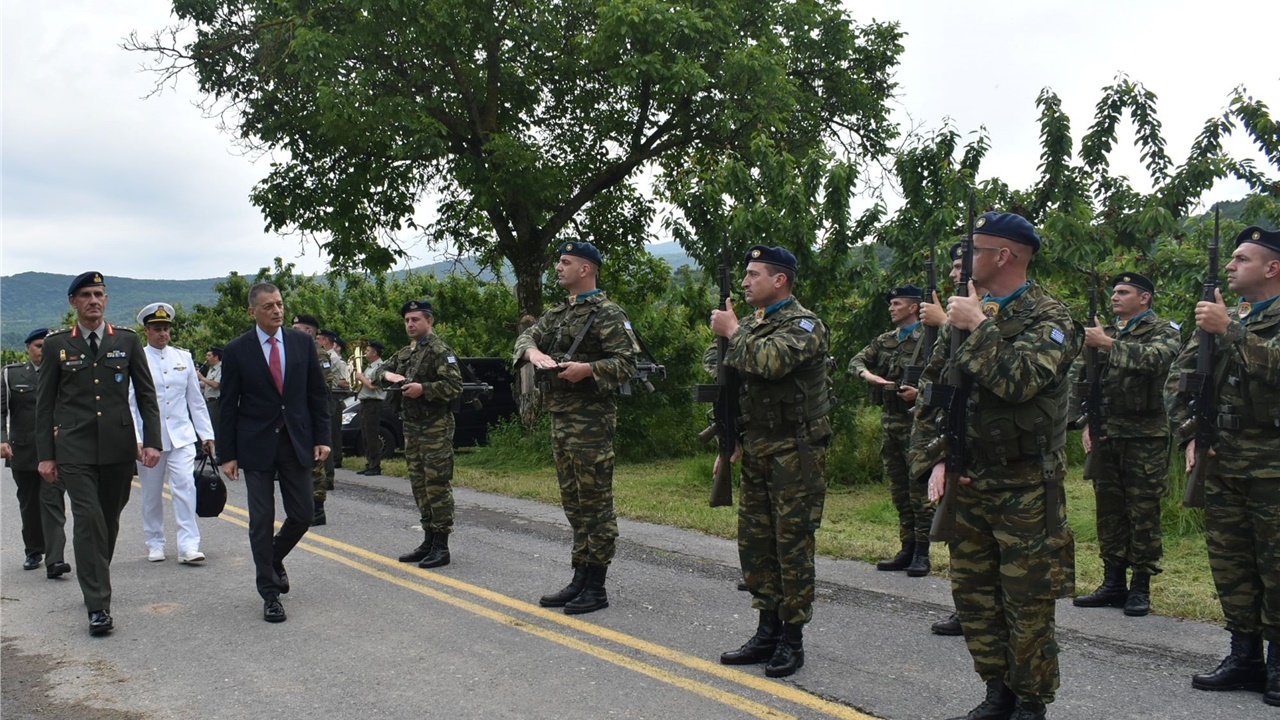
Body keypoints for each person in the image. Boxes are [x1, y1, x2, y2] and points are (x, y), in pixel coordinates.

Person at [914, 213, 1080, 720]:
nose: (962, 260)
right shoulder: (969, 314)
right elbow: (934, 390)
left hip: (1026, 483)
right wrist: (934, 459)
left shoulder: (1051, 319)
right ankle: (996, 690)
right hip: (969, 477)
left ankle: (1030, 702)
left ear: (1004, 255)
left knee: (1026, 603)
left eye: (974, 249)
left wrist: (979, 326)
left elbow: (1021, 380)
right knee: (974, 597)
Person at [1166, 226, 1280, 705]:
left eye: (1242, 259)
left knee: (1275, 564)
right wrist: (1191, 432)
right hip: (1223, 457)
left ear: (1272, 268)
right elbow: (1179, 378)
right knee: (1231, 562)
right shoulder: (1226, 317)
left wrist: (1229, 331)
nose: (1231, 266)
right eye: (1231, 259)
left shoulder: (1233, 323)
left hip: (1273, 463)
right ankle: (1244, 656)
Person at [712, 245, 832, 679]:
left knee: (792, 546)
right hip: (759, 446)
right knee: (757, 544)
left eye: (753, 274)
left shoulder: (804, 324)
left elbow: (771, 361)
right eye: (743, 274)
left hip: (795, 451)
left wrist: (732, 333)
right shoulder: (752, 325)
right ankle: (766, 630)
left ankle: (792, 639)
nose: (745, 282)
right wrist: (732, 438)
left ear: (780, 280)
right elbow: (722, 370)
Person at [514, 240, 638, 615]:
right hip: (561, 419)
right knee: (574, 503)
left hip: (591, 422)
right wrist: (532, 353)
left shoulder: (608, 314)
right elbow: (525, 338)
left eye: (565, 262)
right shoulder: (557, 314)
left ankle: (596, 585)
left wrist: (589, 370)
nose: (558, 268)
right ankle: (580, 576)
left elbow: (627, 363)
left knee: (595, 502)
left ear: (586, 269)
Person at [36, 272, 162, 636]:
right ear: (73, 302)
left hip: (119, 448)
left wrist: (151, 441)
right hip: (74, 450)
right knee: (88, 521)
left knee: (108, 521)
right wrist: (47, 455)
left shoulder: (126, 340)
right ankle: (98, 606)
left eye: (99, 295)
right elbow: (44, 406)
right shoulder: (58, 345)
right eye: (87, 295)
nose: (94, 300)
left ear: (106, 300)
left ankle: (94, 574)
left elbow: (146, 395)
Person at [218, 283, 330, 623]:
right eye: (269, 306)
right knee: (261, 519)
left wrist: (322, 437)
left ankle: (273, 557)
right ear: (253, 312)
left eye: (280, 304)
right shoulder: (237, 350)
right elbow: (228, 405)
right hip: (256, 444)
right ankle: (269, 593)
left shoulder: (301, 343)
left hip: (296, 440)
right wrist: (227, 454)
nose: (277, 310)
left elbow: (316, 393)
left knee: (303, 514)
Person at [1071, 273, 1179, 617]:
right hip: (1106, 432)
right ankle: (1113, 581)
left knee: (1142, 511)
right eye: (1114, 292)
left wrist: (1105, 344)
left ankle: (1141, 585)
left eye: (1124, 292)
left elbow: (1157, 360)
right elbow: (1081, 379)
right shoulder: (1108, 333)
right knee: (1110, 510)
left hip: (1145, 434)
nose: (1115, 297)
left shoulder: (1164, 330)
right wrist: (1085, 421)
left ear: (1144, 298)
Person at [850, 283, 933, 576]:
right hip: (891, 421)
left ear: (913, 307)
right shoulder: (885, 340)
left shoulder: (931, 338)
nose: (891, 308)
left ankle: (923, 552)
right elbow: (856, 360)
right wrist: (869, 376)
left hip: (919, 423)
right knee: (899, 489)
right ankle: (906, 547)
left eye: (897, 304)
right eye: (891, 304)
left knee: (918, 490)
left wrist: (919, 393)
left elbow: (945, 375)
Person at [375, 301, 463, 568]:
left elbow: (455, 385)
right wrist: (390, 375)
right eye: (407, 320)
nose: (410, 324)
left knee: (437, 485)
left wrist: (423, 389)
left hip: (435, 426)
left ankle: (441, 545)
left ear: (429, 321)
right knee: (419, 485)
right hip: (411, 426)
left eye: (415, 319)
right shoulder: (405, 353)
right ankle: (428, 539)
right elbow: (378, 371)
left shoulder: (440, 351)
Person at [128, 303, 216, 564]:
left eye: (166, 328)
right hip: (150, 439)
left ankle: (189, 545)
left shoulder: (183, 358)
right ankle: (155, 541)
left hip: (181, 435)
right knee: (151, 493)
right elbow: (131, 402)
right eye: (157, 329)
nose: (163, 333)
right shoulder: (138, 359)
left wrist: (206, 434)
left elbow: (195, 400)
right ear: (146, 331)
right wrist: (136, 439)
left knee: (185, 487)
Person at [916, 241, 970, 637]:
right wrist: (936, 453)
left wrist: (956, 324)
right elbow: (934, 388)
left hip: (1009, 461)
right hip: (958, 447)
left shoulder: (1035, 316)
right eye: (951, 267)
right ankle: (966, 606)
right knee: (962, 541)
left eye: (959, 267)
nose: (953, 275)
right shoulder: (954, 326)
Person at [2, 328, 70, 579]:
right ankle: (33, 550)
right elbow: (1, 410)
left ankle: (55, 560)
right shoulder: (11, 374)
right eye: (39, 346)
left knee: (53, 504)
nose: (43, 350)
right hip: (23, 450)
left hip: (55, 450)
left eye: (47, 346)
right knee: (29, 505)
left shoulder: (64, 372)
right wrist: (2, 439)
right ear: (28, 348)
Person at [289, 314, 339, 524]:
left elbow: (324, 386)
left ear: (310, 332)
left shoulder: (318, 354)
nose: (291, 332)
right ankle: (306, 507)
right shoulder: (296, 351)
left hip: (312, 414)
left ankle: (317, 510)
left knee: (316, 463)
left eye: (297, 328)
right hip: (297, 415)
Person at [317, 328, 350, 483]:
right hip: (330, 398)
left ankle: (328, 475)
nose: (317, 341)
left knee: (328, 436)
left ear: (325, 341)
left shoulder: (329, 356)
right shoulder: (329, 356)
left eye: (319, 339)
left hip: (331, 398)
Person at [353, 340, 387, 476]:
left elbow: (373, 386)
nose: (365, 354)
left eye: (367, 351)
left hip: (373, 403)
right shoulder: (370, 366)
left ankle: (375, 465)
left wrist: (361, 377)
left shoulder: (380, 367)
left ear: (374, 353)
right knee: (366, 435)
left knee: (372, 435)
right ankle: (369, 463)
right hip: (365, 402)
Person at [198, 346, 222, 434]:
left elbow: (216, 384)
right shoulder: (211, 369)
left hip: (216, 402)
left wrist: (201, 377)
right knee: (208, 425)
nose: (206, 358)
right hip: (208, 401)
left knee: (214, 426)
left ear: (216, 357)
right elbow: (206, 385)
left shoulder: (221, 368)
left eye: (209, 356)